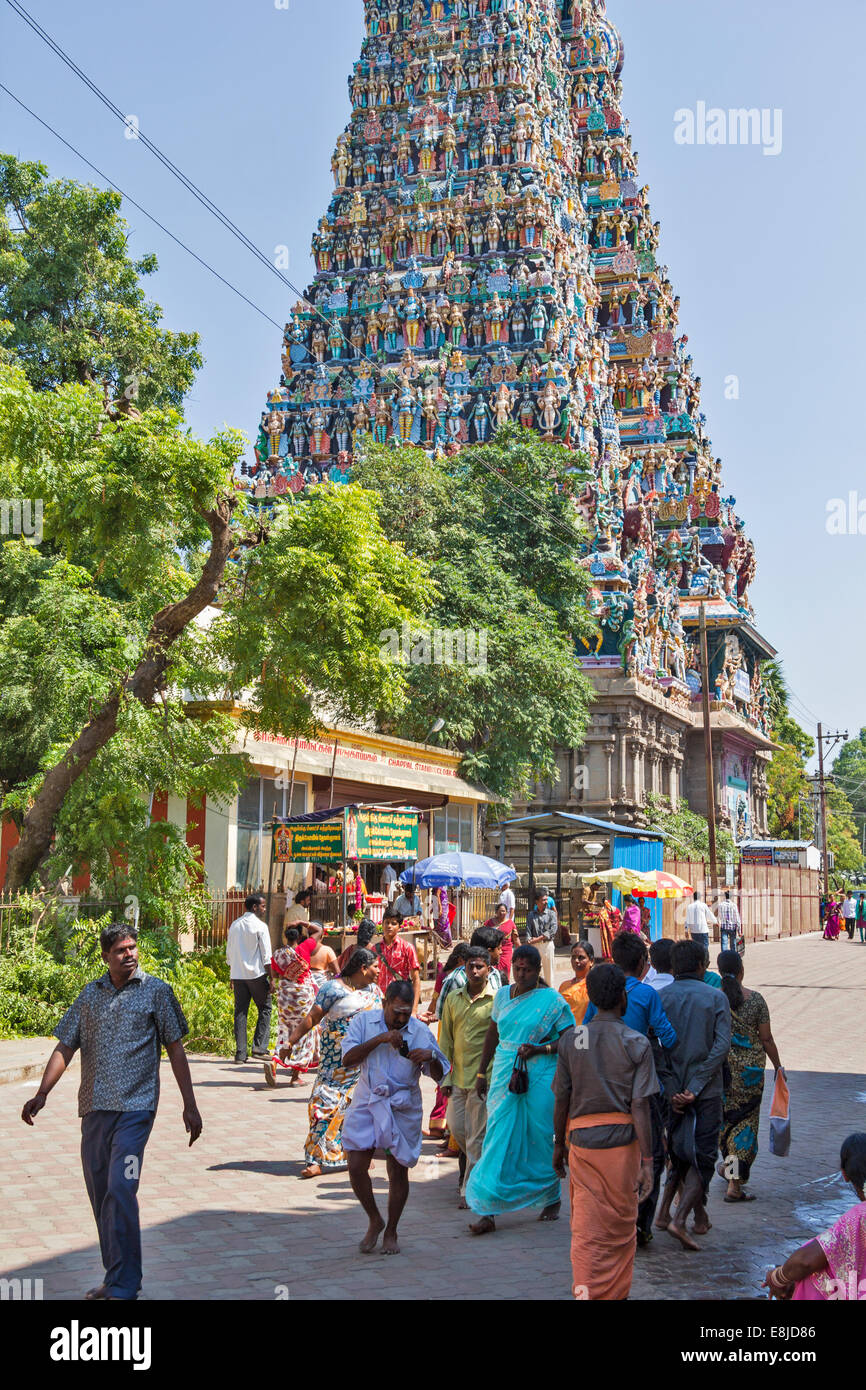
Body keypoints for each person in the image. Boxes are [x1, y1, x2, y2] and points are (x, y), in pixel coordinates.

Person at [21, 924, 202, 1301]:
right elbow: (65, 1046)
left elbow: (176, 1049)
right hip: (95, 1110)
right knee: (102, 1194)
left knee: (121, 1188)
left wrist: (190, 1103)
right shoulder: (90, 996)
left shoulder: (157, 992)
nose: (129, 954)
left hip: (136, 1110)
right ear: (105, 956)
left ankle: (126, 1284)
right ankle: (114, 1275)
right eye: (121, 950)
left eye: (133, 947)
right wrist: (42, 1093)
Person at [553, 963, 657, 1300]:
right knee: (620, 1229)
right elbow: (640, 1105)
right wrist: (648, 1161)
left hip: (581, 1143)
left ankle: (585, 1292)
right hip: (623, 1148)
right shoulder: (635, 1041)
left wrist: (558, 1145)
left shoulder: (576, 1037)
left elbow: (562, 1097)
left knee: (586, 1230)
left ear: (592, 998)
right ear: (623, 998)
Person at [465, 945, 575, 1234]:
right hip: (504, 1071)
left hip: (540, 1074)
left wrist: (541, 1048)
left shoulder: (552, 1000)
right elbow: (493, 1033)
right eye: (517, 968)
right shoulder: (502, 995)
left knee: (539, 1136)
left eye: (527, 969)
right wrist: (481, 1072)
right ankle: (487, 1209)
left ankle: (551, 1195)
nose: (522, 974)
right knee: (497, 1138)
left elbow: (571, 1040)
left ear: (538, 971)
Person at [341, 980, 449, 1255]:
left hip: (403, 1105)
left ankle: (392, 1230)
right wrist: (381, 1039)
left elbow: (440, 1075)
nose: (401, 1018)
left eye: (406, 1013)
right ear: (385, 1002)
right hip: (368, 1099)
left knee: (397, 1168)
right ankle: (375, 1219)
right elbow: (347, 1060)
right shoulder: (364, 1022)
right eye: (396, 1011)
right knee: (355, 1164)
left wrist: (431, 1057)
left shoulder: (421, 1032)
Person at [583, 931, 677, 1246]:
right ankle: (641, 1223)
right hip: (641, 1087)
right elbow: (667, 1036)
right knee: (650, 1153)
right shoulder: (647, 994)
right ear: (642, 963)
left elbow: (583, 1033)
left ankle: (610, 1217)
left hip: (603, 1086)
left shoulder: (597, 993)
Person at [654, 939, 731, 1251]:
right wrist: (696, 1087)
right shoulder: (716, 997)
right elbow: (721, 1046)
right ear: (702, 965)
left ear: (673, 966)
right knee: (703, 1158)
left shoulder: (660, 998)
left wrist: (674, 1089)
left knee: (679, 1153)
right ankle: (679, 1218)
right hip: (707, 1091)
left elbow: (655, 1048)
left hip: (671, 1093)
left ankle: (670, 1214)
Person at [285, 948, 382, 1177]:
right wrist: (291, 1042)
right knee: (322, 1105)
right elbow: (312, 1018)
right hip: (333, 1064)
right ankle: (317, 1159)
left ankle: (357, 1155)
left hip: (364, 1065)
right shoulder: (333, 988)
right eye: (376, 967)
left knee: (359, 1111)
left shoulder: (374, 991)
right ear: (363, 967)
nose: (379, 971)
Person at [765, 1133, 866, 1301]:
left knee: (814, 1271)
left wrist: (776, 1277)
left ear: (845, 1174)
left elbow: (805, 1261)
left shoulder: (859, 1217)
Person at [716, 950, 782, 1202]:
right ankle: (734, 1183)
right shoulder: (756, 1000)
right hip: (751, 1076)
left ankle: (730, 1174)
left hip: (722, 1074)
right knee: (744, 1128)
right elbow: (766, 1039)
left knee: (728, 1126)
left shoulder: (714, 999)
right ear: (742, 970)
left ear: (719, 972)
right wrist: (778, 1067)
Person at [438, 946, 497, 1207]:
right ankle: (484, 1173)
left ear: (488, 969)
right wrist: (444, 1077)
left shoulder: (496, 1000)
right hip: (457, 1078)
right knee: (459, 1129)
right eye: (470, 966)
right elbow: (446, 1040)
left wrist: (489, 1074)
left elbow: (499, 1040)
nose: (474, 971)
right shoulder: (453, 999)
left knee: (476, 1138)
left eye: (479, 967)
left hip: (484, 1078)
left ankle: (468, 1191)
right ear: (464, 967)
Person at [266, 927, 319, 1086]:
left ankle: (275, 1062)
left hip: (285, 998)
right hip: (302, 997)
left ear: (285, 937)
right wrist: (303, 922)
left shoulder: (278, 954)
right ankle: (295, 1077)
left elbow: (275, 975)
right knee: (304, 1032)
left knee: (285, 1029)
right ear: (300, 936)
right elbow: (318, 932)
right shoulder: (304, 947)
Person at [226, 895, 273, 1063]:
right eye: (263, 906)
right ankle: (259, 1048)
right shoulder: (261, 926)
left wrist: (232, 973)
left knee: (240, 1012)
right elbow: (267, 957)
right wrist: (272, 979)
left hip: (238, 975)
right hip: (256, 975)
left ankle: (240, 1053)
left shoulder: (235, 925)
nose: (264, 909)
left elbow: (229, 951)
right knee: (265, 1008)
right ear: (254, 907)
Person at [373, 907, 422, 1012]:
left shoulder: (407, 948)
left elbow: (416, 979)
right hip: (380, 1002)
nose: (389, 926)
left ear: (399, 927)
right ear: (382, 925)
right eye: (387, 922)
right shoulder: (375, 949)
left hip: (401, 1000)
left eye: (393, 923)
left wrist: (414, 1009)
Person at [525, 888, 559, 985]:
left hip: (547, 945)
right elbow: (528, 930)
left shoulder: (552, 914)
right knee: (534, 971)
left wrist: (538, 939)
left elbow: (552, 930)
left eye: (546, 900)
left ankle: (549, 993)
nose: (545, 902)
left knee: (549, 972)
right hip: (534, 946)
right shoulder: (531, 915)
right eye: (543, 900)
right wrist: (529, 941)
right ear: (537, 901)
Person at [559, 940, 594, 1026]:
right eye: (573, 957)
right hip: (565, 1034)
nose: (576, 961)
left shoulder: (594, 986)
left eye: (581, 957)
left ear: (591, 961)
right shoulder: (564, 985)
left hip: (585, 1033)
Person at [483, 901, 520, 981]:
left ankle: (505, 986)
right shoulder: (489, 923)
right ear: (496, 912)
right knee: (491, 969)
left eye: (503, 911)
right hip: (493, 951)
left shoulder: (510, 923)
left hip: (506, 952)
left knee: (505, 970)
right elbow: (483, 936)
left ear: (506, 912)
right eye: (500, 911)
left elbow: (516, 939)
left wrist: (521, 951)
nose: (502, 913)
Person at [717, 890, 743, 955]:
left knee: (724, 944)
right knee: (733, 944)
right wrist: (739, 931)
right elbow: (737, 918)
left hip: (724, 927)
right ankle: (733, 957)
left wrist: (719, 923)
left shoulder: (720, 905)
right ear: (731, 896)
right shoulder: (734, 905)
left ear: (725, 896)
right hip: (732, 927)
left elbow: (719, 917)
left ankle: (724, 958)